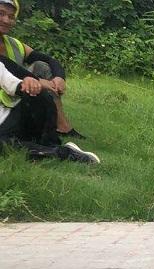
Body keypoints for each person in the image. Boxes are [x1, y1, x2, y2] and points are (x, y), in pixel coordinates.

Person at [0, 0, 82, 138]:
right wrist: (37, 81)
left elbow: (49, 60)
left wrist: (59, 77)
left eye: (11, 16)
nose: (6, 20)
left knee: (41, 66)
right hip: (7, 98)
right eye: (1, 13)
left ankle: (62, 126)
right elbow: (4, 65)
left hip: (17, 94)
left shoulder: (14, 44)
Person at [0, 60, 96, 162]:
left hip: (8, 121)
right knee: (7, 146)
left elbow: (12, 83)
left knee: (37, 93)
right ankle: (62, 153)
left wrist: (28, 83)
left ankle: (50, 143)